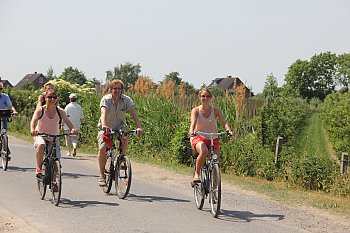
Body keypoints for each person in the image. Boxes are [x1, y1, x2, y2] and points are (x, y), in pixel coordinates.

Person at [97, 79, 143, 187]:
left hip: (119, 126)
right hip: (105, 127)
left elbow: (134, 114)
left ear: (122, 90)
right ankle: (101, 175)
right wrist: (104, 125)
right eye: (114, 89)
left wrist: (139, 127)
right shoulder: (106, 99)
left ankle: (122, 158)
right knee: (102, 148)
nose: (117, 91)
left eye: (119, 89)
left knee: (125, 136)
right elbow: (103, 113)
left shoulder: (127, 100)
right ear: (110, 89)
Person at [188, 88, 233, 183]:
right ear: (200, 97)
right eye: (203, 96)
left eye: (208, 96)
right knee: (204, 151)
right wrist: (191, 131)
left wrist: (228, 130)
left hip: (213, 138)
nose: (205, 98)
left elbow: (224, 122)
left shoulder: (216, 110)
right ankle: (197, 174)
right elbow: (193, 122)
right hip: (199, 137)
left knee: (215, 162)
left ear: (211, 98)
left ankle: (215, 192)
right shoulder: (196, 110)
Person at [30, 88, 77, 177]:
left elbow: (67, 121)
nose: (52, 99)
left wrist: (72, 129)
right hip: (41, 135)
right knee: (41, 145)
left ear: (57, 99)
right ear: (45, 98)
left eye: (54, 97)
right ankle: (39, 168)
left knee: (56, 159)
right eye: (49, 97)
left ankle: (55, 182)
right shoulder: (40, 110)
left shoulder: (60, 111)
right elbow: (33, 121)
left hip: (54, 137)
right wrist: (33, 130)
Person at [0, 82, 19, 161]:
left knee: (4, 134)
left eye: (0, 89)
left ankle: (5, 150)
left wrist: (14, 111)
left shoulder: (5, 96)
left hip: (3, 116)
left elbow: (10, 106)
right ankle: (6, 151)